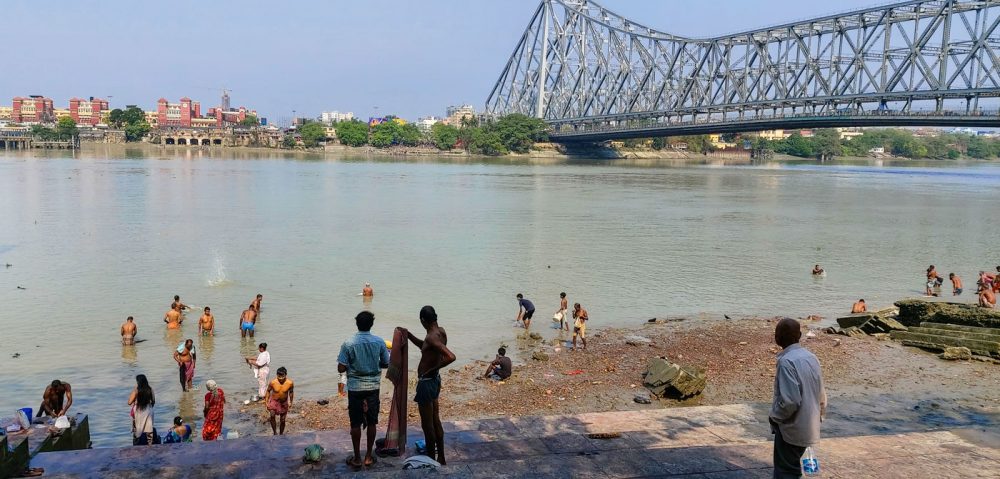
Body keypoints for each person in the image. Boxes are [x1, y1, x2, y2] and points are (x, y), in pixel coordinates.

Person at [770, 318, 827, 479]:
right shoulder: (811, 357)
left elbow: (790, 401)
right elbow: (821, 393)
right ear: (800, 335)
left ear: (777, 337)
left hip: (792, 427)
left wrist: (775, 417)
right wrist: (820, 415)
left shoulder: (786, 361)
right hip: (810, 423)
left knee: (786, 471)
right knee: (793, 467)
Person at [337, 311, 390, 469]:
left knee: (355, 423)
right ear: (371, 324)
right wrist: (372, 364)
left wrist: (352, 365)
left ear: (357, 324)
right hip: (373, 387)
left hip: (355, 388)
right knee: (372, 422)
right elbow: (386, 363)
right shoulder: (379, 342)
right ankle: (368, 456)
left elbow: (341, 367)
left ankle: (357, 458)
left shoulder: (348, 343)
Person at [405, 306, 456, 465]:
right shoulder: (440, 332)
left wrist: (430, 370)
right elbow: (427, 349)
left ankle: (430, 460)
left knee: (427, 426)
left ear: (422, 321)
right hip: (435, 381)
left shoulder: (431, 337)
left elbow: (450, 356)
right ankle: (441, 457)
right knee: (435, 420)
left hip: (427, 383)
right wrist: (409, 336)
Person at [264, 367, 294, 435]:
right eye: (279, 376)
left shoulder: (290, 383)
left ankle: (281, 434)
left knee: (283, 420)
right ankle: (274, 432)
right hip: (274, 401)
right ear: (277, 375)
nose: (280, 378)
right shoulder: (273, 382)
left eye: (282, 376)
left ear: (285, 375)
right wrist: (266, 402)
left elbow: (291, 393)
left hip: (283, 403)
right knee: (272, 415)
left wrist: (291, 402)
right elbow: (268, 391)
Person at [129, 374, 156, 446]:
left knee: (138, 428)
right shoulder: (150, 389)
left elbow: (129, 402)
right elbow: (153, 401)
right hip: (148, 410)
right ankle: (150, 444)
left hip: (139, 411)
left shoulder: (136, 390)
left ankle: (136, 444)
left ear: (138, 382)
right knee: (149, 428)